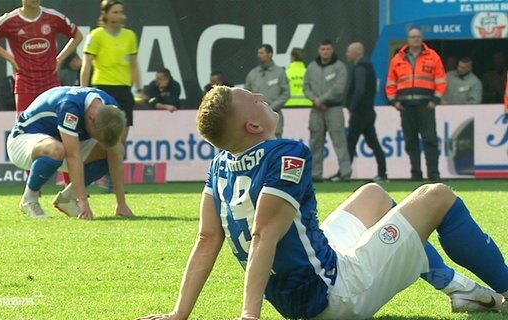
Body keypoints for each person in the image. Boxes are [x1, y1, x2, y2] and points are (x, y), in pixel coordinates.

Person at [136, 86, 507, 320]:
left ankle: (458, 289)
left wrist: (178, 314)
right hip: (333, 294)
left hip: (304, 283)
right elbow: (264, 233)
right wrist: (249, 315)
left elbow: (207, 239)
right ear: (252, 126)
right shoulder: (286, 152)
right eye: (254, 98)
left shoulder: (218, 164)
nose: (262, 97)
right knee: (437, 195)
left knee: (373, 195)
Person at [6, 86, 134, 220]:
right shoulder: (70, 108)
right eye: (97, 136)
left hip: (56, 141)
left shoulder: (111, 107)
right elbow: (73, 156)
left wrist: (121, 203)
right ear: (91, 119)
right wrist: (83, 201)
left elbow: (115, 152)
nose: (97, 140)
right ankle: (29, 199)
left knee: (115, 150)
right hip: (22, 140)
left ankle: (66, 199)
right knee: (56, 149)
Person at [80, 0, 144, 192]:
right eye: (114, 12)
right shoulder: (96, 36)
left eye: (120, 12)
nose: (119, 16)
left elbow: (134, 65)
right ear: (105, 14)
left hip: (124, 90)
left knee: (121, 140)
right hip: (103, 89)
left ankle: (107, 175)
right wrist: (83, 89)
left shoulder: (129, 36)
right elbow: (87, 64)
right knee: (103, 137)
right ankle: (97, 176)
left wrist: (138, 88)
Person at [0, 0, 83, 114]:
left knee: (53, 124)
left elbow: (78, 36)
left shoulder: (53, 17)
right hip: (25, 84)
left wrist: (60, 58)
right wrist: (11, 59)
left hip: (50, 81)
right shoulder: (9, 20)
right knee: (24, 127)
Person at [385, 27, 447, 181]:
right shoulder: (397, 59)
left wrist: (435, 100)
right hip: (405, 105)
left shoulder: (433, 57)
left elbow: (441, 80)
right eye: (413, 37)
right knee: (411, 141)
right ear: (408, 39)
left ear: (422, 38)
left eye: (418, 37)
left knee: (430, 140)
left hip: (425, 104)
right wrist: (394, 101)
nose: (416, 39)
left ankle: (433, 174)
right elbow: (391, 82)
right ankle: (416, 174)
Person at [304, 40, 351, 182]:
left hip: (334, 108)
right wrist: (315, 99)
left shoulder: (339, 67)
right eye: (323, 49)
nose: (325, 52)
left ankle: (345, 173)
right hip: (316, 109)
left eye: (328, 49)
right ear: (319, 50)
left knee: (339, 141)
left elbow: (339, 88)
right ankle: (315, 174)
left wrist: (322, 99)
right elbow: (306, 87)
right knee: (315, 142)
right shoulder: (312, 67)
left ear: (332, 50)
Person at [345, 42, 387, 182]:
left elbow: (359, 89)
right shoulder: (368, 66)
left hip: (360, 112)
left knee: (351, 142)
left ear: (357, 52)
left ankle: (345, 172)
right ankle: (382, 172)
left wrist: (352, 106)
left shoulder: (360, 68)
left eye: (349, 51)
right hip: (368, 111)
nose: (347, 54)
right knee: (373, 143)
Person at [245, 44, 289, 138]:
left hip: (274, 114)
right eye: (258, 53)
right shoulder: (253, 74)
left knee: (276, 145)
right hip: (256, 117)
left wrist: (271, 107)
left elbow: (286, 93)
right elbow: (246, 93)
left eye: (261, 53)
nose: (259, 55)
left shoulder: (279, 72)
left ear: (269, 54)